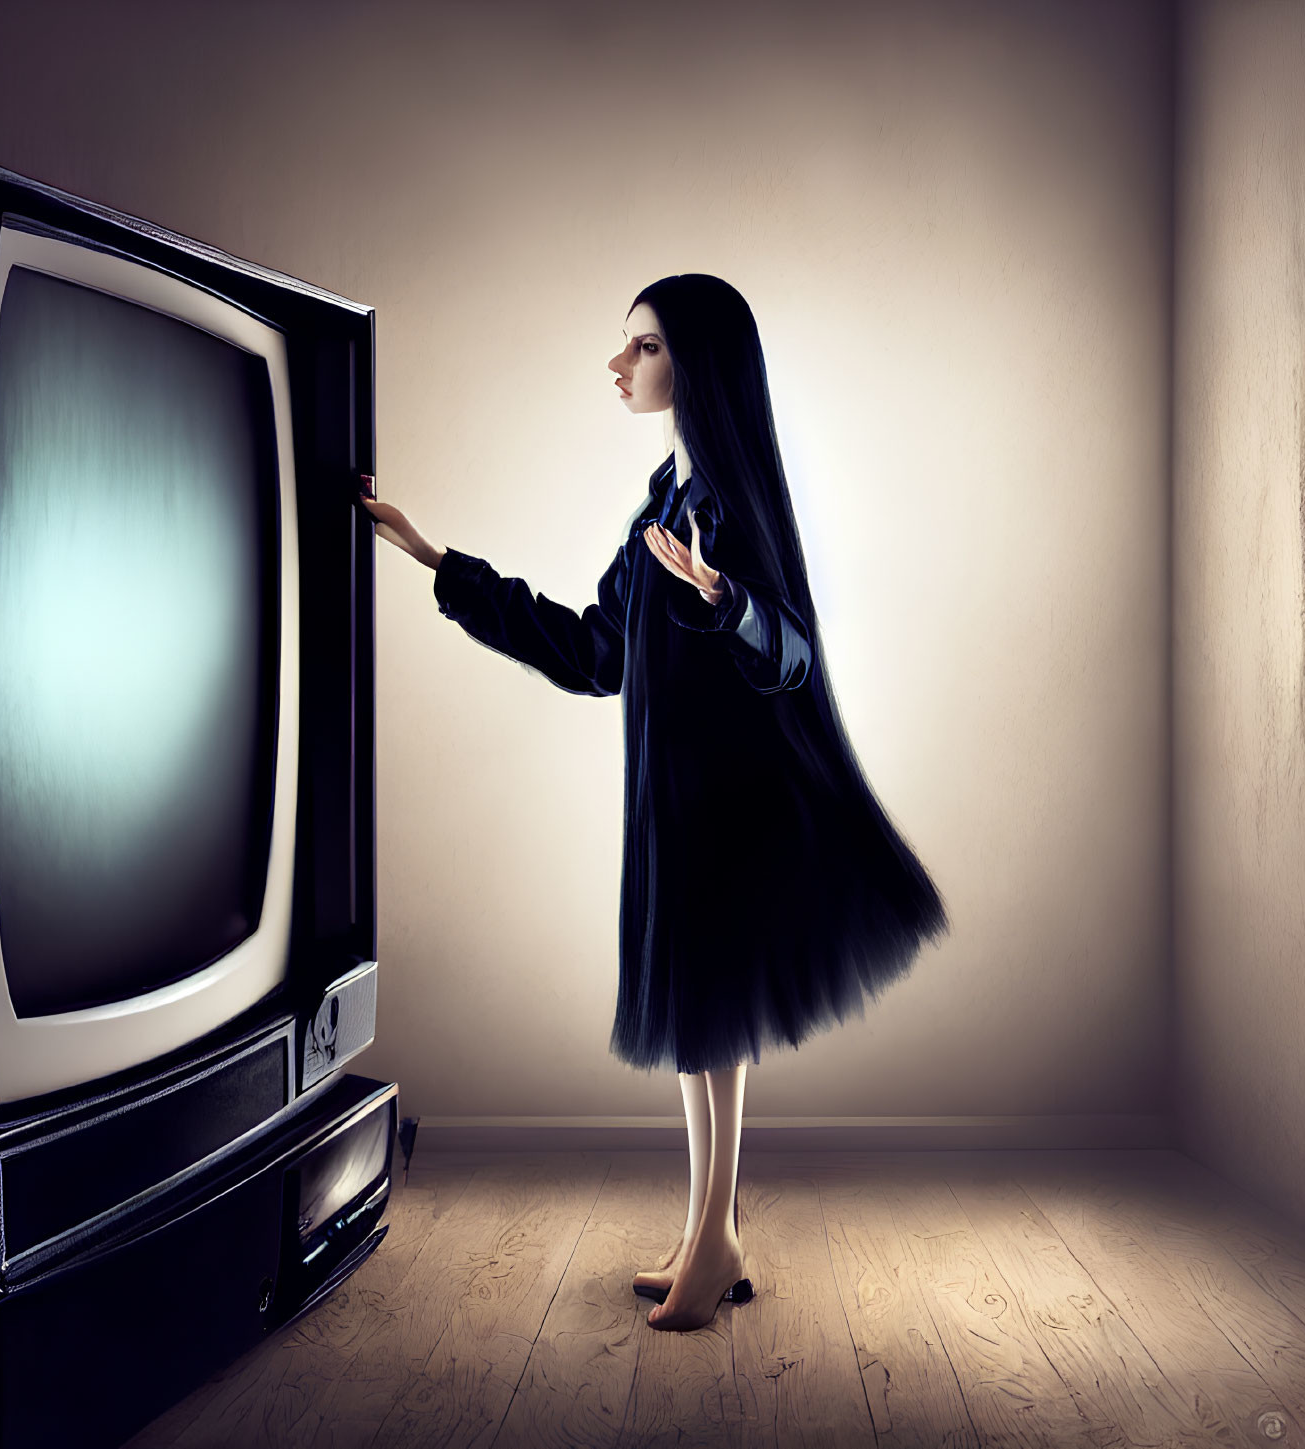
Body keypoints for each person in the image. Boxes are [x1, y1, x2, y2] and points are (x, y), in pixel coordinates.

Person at [360, 273, 950, 1333]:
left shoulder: (727, 502)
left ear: (697, 364)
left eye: (643, 346)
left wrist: (722, 600)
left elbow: (793, 657)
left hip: (727, 801)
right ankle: (708, 1230)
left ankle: (716, 1233)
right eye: (627, 346)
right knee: (698, 1021)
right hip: (670, 804)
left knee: (706, 1014)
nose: (620, 363)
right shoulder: (664, 501)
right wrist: (441, 564)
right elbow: (596, 652)